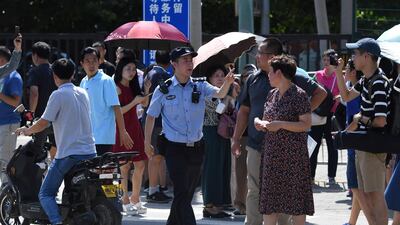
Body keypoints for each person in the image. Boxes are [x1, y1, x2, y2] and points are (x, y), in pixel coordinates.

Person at [231, 38, 327, 225]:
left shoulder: (294, 79)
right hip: (259, 145)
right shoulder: (255, 80)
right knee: (256, 189)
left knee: (283, 194)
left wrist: (298, 114)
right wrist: (238, 136)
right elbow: (244, 110)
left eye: (261, 53)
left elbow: (320, 94)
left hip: (288, 151)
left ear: (272, 57)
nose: (257, 57)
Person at [144, 46, 235, 225]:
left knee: (186, 193)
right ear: (174, 64)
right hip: (174, 148)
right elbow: (151, 116)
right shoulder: (164, 89)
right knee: (181, 191)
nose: (189, 63)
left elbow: (220, 94)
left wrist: (228, 82)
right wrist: (147, 142)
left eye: (191, 60)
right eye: (185, 60)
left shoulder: (200, 85)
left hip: (196, 147)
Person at [15, 58, 97, 225]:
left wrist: (27, 130)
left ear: (54, 76)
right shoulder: (82, 92)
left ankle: (56, 222)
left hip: (69, 154)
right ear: (73, 74)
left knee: (45, 194)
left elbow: (44, 122)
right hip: (90, 152)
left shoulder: (58, 95)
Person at [254, 54, 314, 225]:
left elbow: (306, 124)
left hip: (293, 158)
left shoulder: (299, 94)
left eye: (271, 71)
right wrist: (260, 122)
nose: (268, 75)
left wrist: (280, 124)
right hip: (272, 156)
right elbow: (268, 119)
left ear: (279, 73)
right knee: (270, 203)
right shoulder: (272, 94)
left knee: (296, 203)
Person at [336, 37, 389, 225]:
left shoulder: (378, 83)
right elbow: (346, 96)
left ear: (366, 57)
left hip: (373, 145)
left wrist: (361, 119)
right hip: (365, 144)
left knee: (375, 195)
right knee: (367, 193)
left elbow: (381, 121)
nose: (352, 57)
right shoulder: (367, 80)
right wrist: (338, 73)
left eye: (355, 54)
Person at [112, 57, 151, 215]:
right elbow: (117, 112)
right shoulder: (116, 87)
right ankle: (124, 199)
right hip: (122, 128)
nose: (131, 72)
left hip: (135, 127)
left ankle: (135, 197)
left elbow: (144, 104)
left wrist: (146, 91)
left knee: (140, 163)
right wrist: (135, 102)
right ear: (120, 69)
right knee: (124, 166)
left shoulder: (135, 86)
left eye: (134, 69)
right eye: (128, 68)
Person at [79, 47, 133, 155]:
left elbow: (116, 107)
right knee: (88, 171)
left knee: (97, 170)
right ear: (82, 63)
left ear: (99, 61)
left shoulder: (106, 80)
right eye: (87, 61)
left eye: (94, 60)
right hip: (87, 137)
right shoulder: (83, 82)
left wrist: (123, 131)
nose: (91, 64)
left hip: (103, 137)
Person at [202, 65, 239, 218]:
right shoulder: (208, 91)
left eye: (222, 75)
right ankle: (210, 204)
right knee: (212, 169)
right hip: (210, 132)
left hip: (223, 134)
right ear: (209, 78)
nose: (219, 78)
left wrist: (233, 95)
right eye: (216, 75)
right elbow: (219, 110)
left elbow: (231, 110)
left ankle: (219, 203)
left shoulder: (226, 92)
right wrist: (229, 96)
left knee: (224, 167)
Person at [143, 50, 173, 203]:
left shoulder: (149, 73)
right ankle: (153, 190)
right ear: (169, 62)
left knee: (156, 157)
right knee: (156, 156)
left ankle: (157, 187)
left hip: (151, 120)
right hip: (158, 121)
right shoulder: (163, 76)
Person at [337, 58, 363, 225]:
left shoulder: (360, 88)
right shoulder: (356, 87)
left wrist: (344, 133)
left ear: (353, 72)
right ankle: (352, 222)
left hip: (358, 141)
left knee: (357, 187)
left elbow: (357, 118)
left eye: (346, 69)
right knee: (356, 188)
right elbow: (345, 97)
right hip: (355, 141)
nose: (345, 72)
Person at [309, 49, 340, 184]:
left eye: (330, 60)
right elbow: (310, 91)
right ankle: (311, 177)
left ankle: (331, 177)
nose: (327, 63)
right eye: (325, 60)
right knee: (313, 146)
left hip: (331, 116)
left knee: (332, 146)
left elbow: (343, 95)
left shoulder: (339, 77)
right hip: (317, 115)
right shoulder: (317, 75)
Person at [232, 64, 257, 216]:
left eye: (251, 75)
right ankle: (240, 204)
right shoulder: (238, 94)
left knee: (255, 174)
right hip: (242, 136)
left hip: (257, 136)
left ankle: (253, 206)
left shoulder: (261, 90)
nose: (248, 78)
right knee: (240, 173)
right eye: (245, 76)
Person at [27, 41, 58, 158]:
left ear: (35, 55)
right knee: (57, 147)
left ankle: (39, 174)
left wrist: (31, 114)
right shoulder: (56, 70)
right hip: (57, 117)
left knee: (37, 150)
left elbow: (34, 93)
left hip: (41, 117)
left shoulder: (35, 71)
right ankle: (55, 173)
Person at [0, 46, 23, 182]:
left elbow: (16, 102)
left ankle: (6, 194)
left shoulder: (13, 76)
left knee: (6, 160)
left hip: (8, 124)